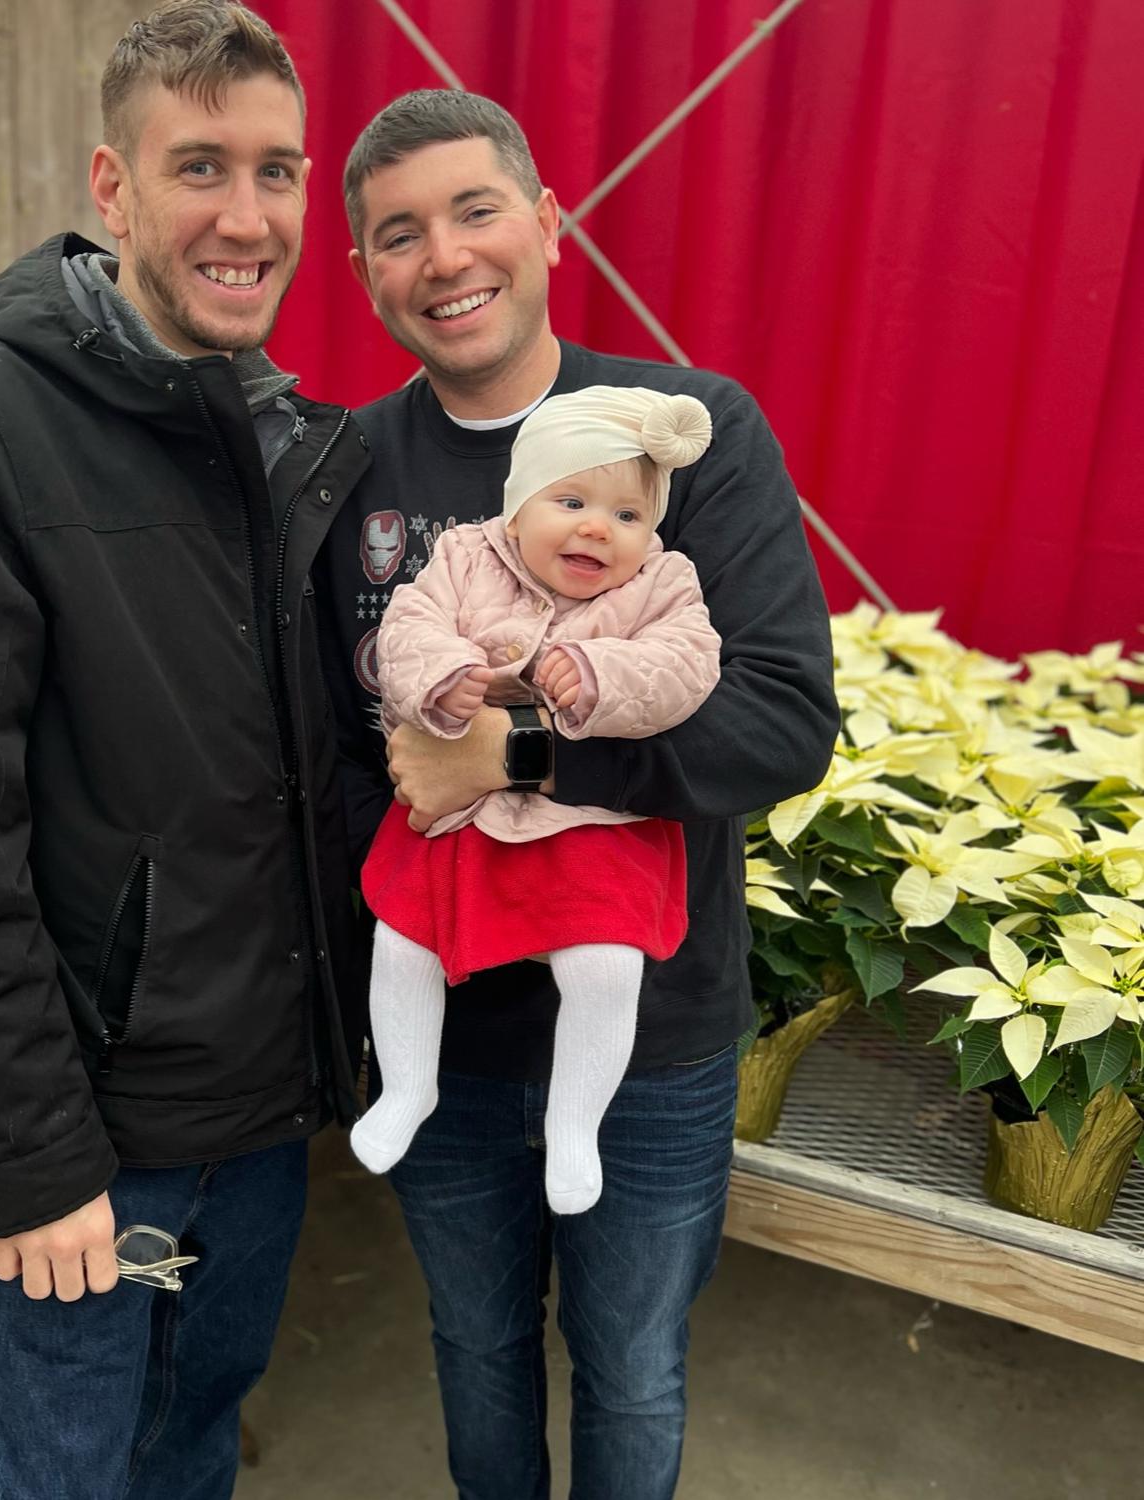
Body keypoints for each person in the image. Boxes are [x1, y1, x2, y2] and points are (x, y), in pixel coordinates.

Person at [0, 6, 369, 1498]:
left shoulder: (261, 427)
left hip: (253, 1117)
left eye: (277, 172)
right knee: (71, 1476)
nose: (246, 217)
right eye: (200, 167)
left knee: (193, 1452)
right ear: (112, 186)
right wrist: (34, 1163)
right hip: (95, 1144)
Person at [318, 89, 839, 1498]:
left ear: (547, 223)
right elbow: (318, 731)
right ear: (364, 274)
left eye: (475, 209)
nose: (444, 257)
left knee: (633, 1369)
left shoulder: (689, 436)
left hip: (649, 1032)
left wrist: (521, 758)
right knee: (474, 1352)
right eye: (397, 234)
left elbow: (783, 721)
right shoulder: (349, 468)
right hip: (449, 1014)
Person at [354, 384, 722, 1217]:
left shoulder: (665, 584)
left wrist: (603, 675)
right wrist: (442, 677)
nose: (599, 527)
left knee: (605, 965)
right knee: (403, 939)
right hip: (460, 810)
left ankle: (576, 1122)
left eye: (629, 516)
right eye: (571, 500)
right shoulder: (463, 557)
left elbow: (685, 664)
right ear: (517, 509)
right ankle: (407, 1088)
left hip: (588, 823)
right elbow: (408, 628)